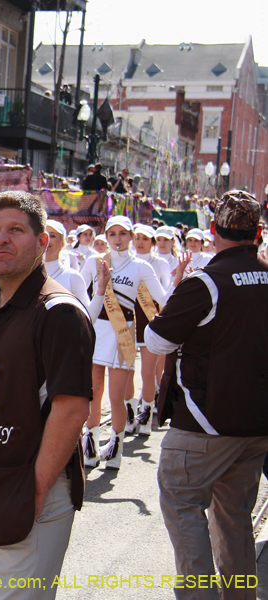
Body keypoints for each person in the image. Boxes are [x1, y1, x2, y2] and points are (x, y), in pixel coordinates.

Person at [0, 191, 94, 600]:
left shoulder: (59, 312)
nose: (1, 239)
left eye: (16, 230)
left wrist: (33, 491)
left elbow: (71, 409)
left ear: (43, 241)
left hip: (31, 490)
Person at [145, 190, 268, 599]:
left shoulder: (206, 281)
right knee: (235, 521)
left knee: (183, 509)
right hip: (256, 424)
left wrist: (176, 296)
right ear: (259, 233)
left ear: (213, 231)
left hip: (202, 422)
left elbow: (158, 341)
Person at [81, 216, 172, 469]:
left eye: (123, 233)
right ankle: (90, 446)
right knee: (93, 393)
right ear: (106, 237)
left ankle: (116, 447)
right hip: (97, 331)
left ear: (131, 236)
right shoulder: (94, 261)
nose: (118, 239)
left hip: (124, 334)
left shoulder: (141, 267)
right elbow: (80, 298)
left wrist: (177, 281)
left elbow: (162, 298)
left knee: (117, 395)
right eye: (112, 234)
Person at [128, 223, 171, 436]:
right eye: (137, 238)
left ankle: (145, 418)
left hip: (150, 320)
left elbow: (164, 295)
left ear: (152, 242)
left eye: (145, 239)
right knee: (127, 372)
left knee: (148, 372)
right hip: (126, 321)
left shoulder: (160, 263)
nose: (140, 243)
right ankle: (128, 416)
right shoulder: (126, 262)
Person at [44, 220, 89, 309]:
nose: (46, 239)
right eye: (42, 235)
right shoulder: (23, 274)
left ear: (62, 243)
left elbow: (87, 313)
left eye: (52, 236)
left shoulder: (72, 277)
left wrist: (99, 294)